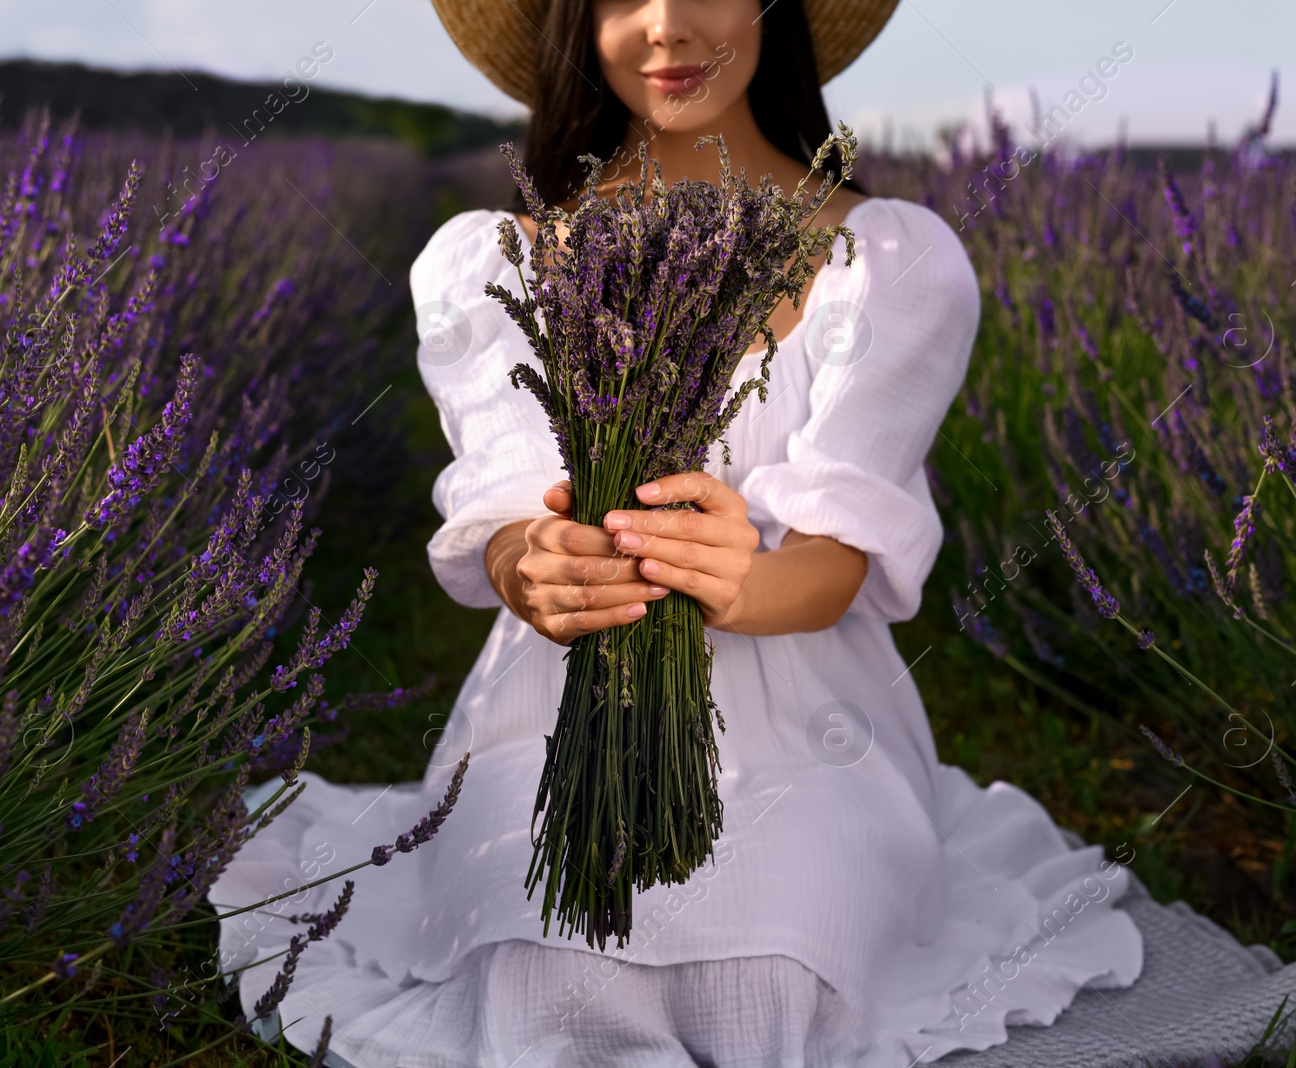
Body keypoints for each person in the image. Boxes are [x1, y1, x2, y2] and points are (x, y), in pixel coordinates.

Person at [208, 2, 1144, 1064]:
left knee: (766, 967)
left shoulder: (884, 258)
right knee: (546, 962)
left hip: (806, 716)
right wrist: (535, 570)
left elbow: (839, 557)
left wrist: (745, 582)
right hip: (551, 711)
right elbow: (512, 508)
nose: (666, 24)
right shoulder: (492, 260)